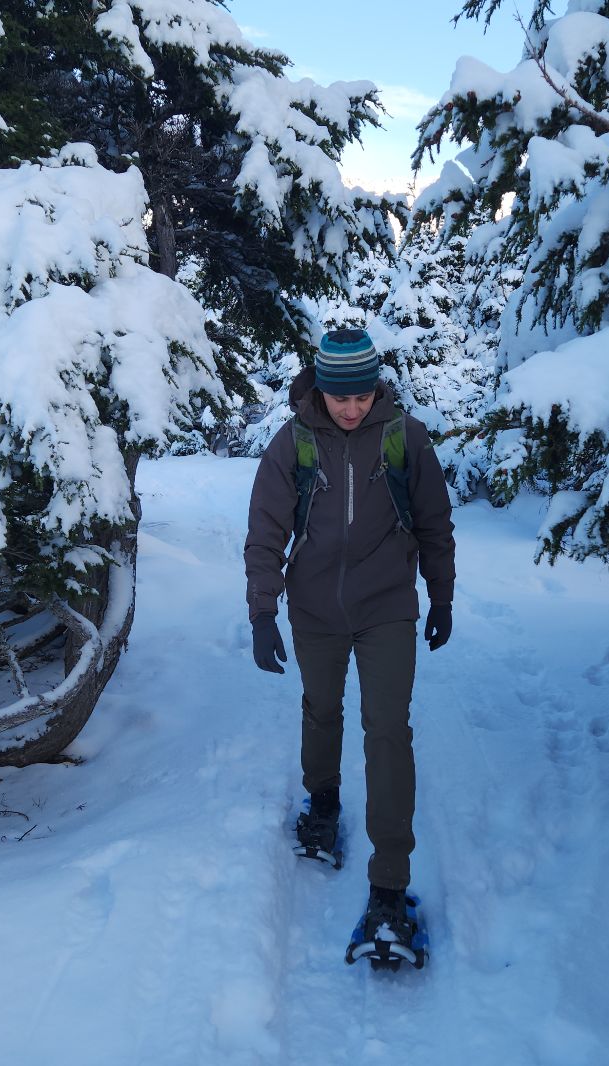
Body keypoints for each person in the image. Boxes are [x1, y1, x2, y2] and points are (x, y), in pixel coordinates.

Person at [244, 327, 456, 964]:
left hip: (387, 605)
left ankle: (389, 886)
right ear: (322, 390)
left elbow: (435, 524)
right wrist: (262, 610)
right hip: (314, 609)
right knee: (322, 708)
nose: (352, 408)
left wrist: (441, 598)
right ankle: (324, 800)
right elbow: (264, 531)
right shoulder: (294, 445)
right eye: (341, 397)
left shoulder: (405, 438)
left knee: (388, 728)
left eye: (362, 395)